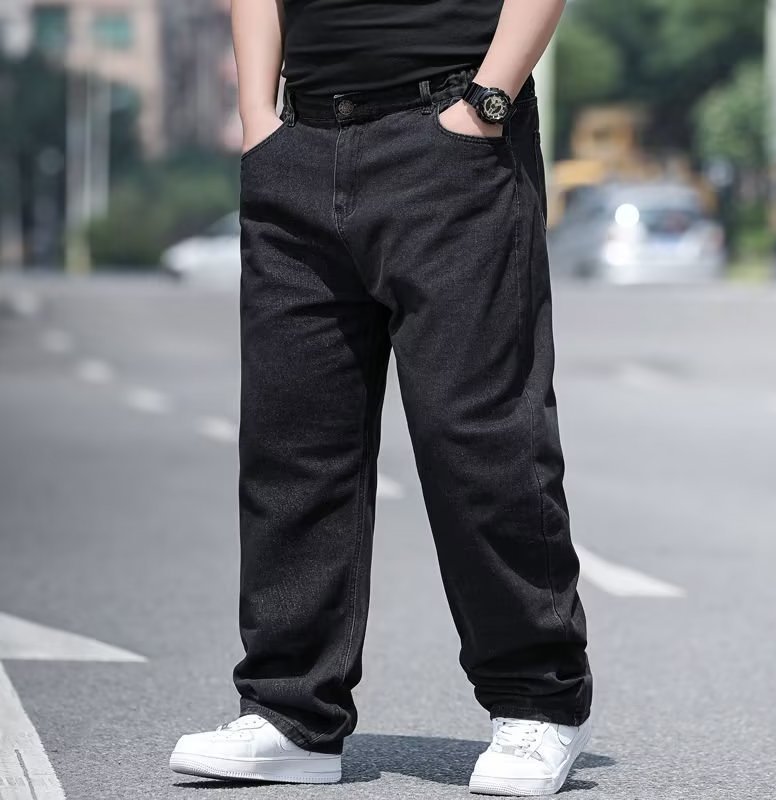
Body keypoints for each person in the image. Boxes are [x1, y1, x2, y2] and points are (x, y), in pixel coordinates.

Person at [169, 0, 592, 794]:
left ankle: (537, 703)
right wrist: (259, 119)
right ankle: (291, 714)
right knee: (292, 443)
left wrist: (487, 102)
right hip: (299, 145)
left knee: (478, 437)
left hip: (451, 136)